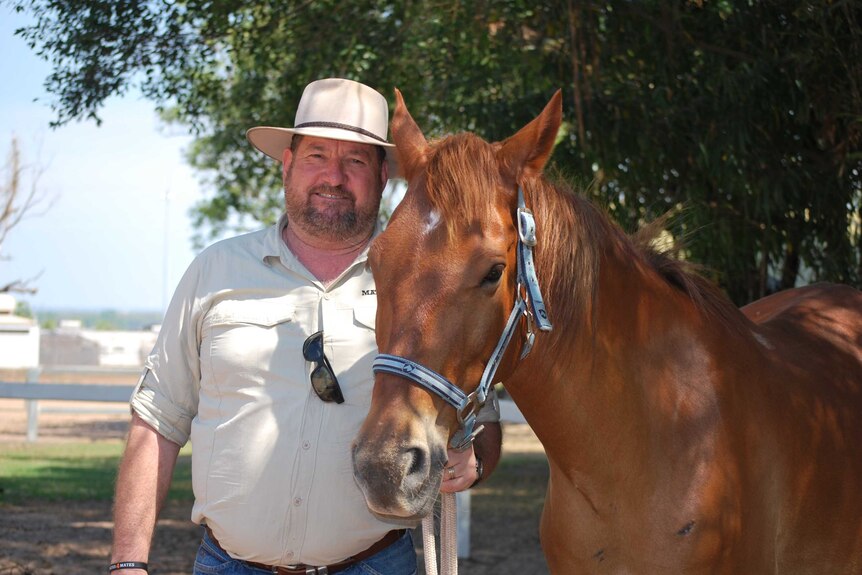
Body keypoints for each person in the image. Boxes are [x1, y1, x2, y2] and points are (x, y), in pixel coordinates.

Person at [109, 78, 503, 575]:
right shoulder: (215, 271)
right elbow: (156, 422)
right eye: (316, 156)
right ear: (287, 166)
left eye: (355, 161)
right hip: (227, 565)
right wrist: (127, 563)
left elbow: (479, 411)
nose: (333, 177)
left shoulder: (425, 283)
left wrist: (477, 459)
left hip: (373, 564)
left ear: (383, 176)